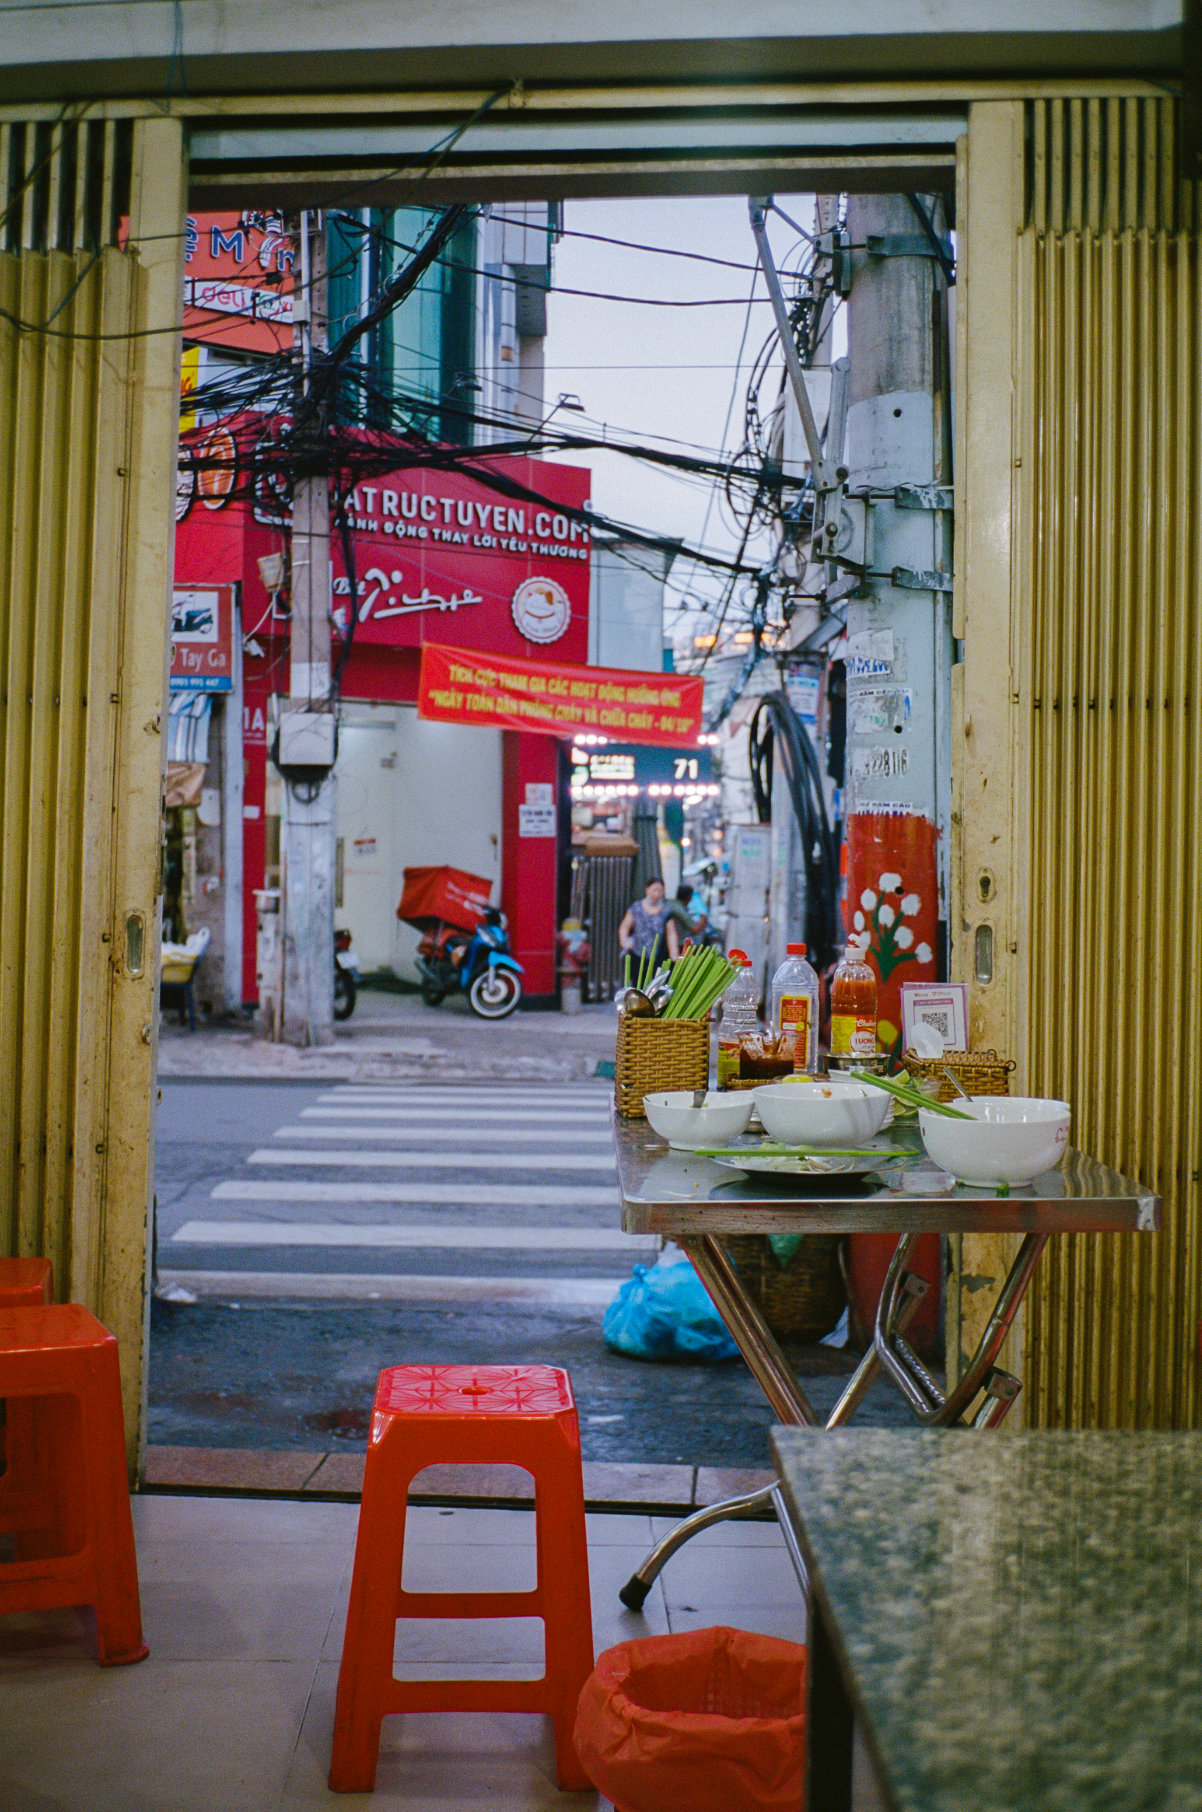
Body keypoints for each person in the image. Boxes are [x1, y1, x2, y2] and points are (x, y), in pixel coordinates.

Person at [619, 875, 680, 969]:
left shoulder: (666, 910)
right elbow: (625, 926)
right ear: (647, 890)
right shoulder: (636, 907)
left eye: (659, 891)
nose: (656, 894)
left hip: (658, 956)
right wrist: (624, 942)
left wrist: (674, 953)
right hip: (637, 954)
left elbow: (671, 933)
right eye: (654, 890)